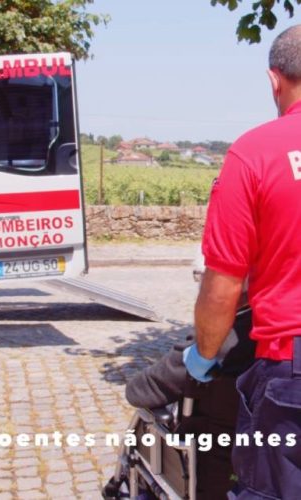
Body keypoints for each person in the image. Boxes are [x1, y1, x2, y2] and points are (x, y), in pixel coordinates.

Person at [183, 25, 301, 499]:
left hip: (291, 372)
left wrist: (201, 359)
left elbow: (223, 284)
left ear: (275, 80)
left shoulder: (254, 153)